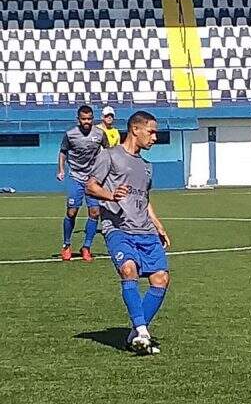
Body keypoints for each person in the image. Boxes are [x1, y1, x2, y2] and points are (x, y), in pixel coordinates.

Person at [86, 111, 170, 356]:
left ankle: (136, 333)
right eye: (151, 131)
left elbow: (144, 198)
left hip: (145, 229)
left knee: (161, 279)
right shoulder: (110, 156)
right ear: (136, 129)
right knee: (128, 269)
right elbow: (90, 185)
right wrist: (110, 196)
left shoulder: (146, 166)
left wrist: (158, 224)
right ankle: (143, 331)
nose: (155, 137)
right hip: (118, 227)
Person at [57, 105, 108, 261]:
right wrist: (61, 170)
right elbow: (63, 152)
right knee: (72, 212)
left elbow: (108, 151)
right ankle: (66, 245)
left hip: (93, 179)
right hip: (76, 177)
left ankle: (86, 247)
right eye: (84, 119)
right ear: (78, 119)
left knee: (95, 212)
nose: (87, 121)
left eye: (89, 119)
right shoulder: (70, 134)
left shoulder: (100, 134)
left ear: (93, 118)